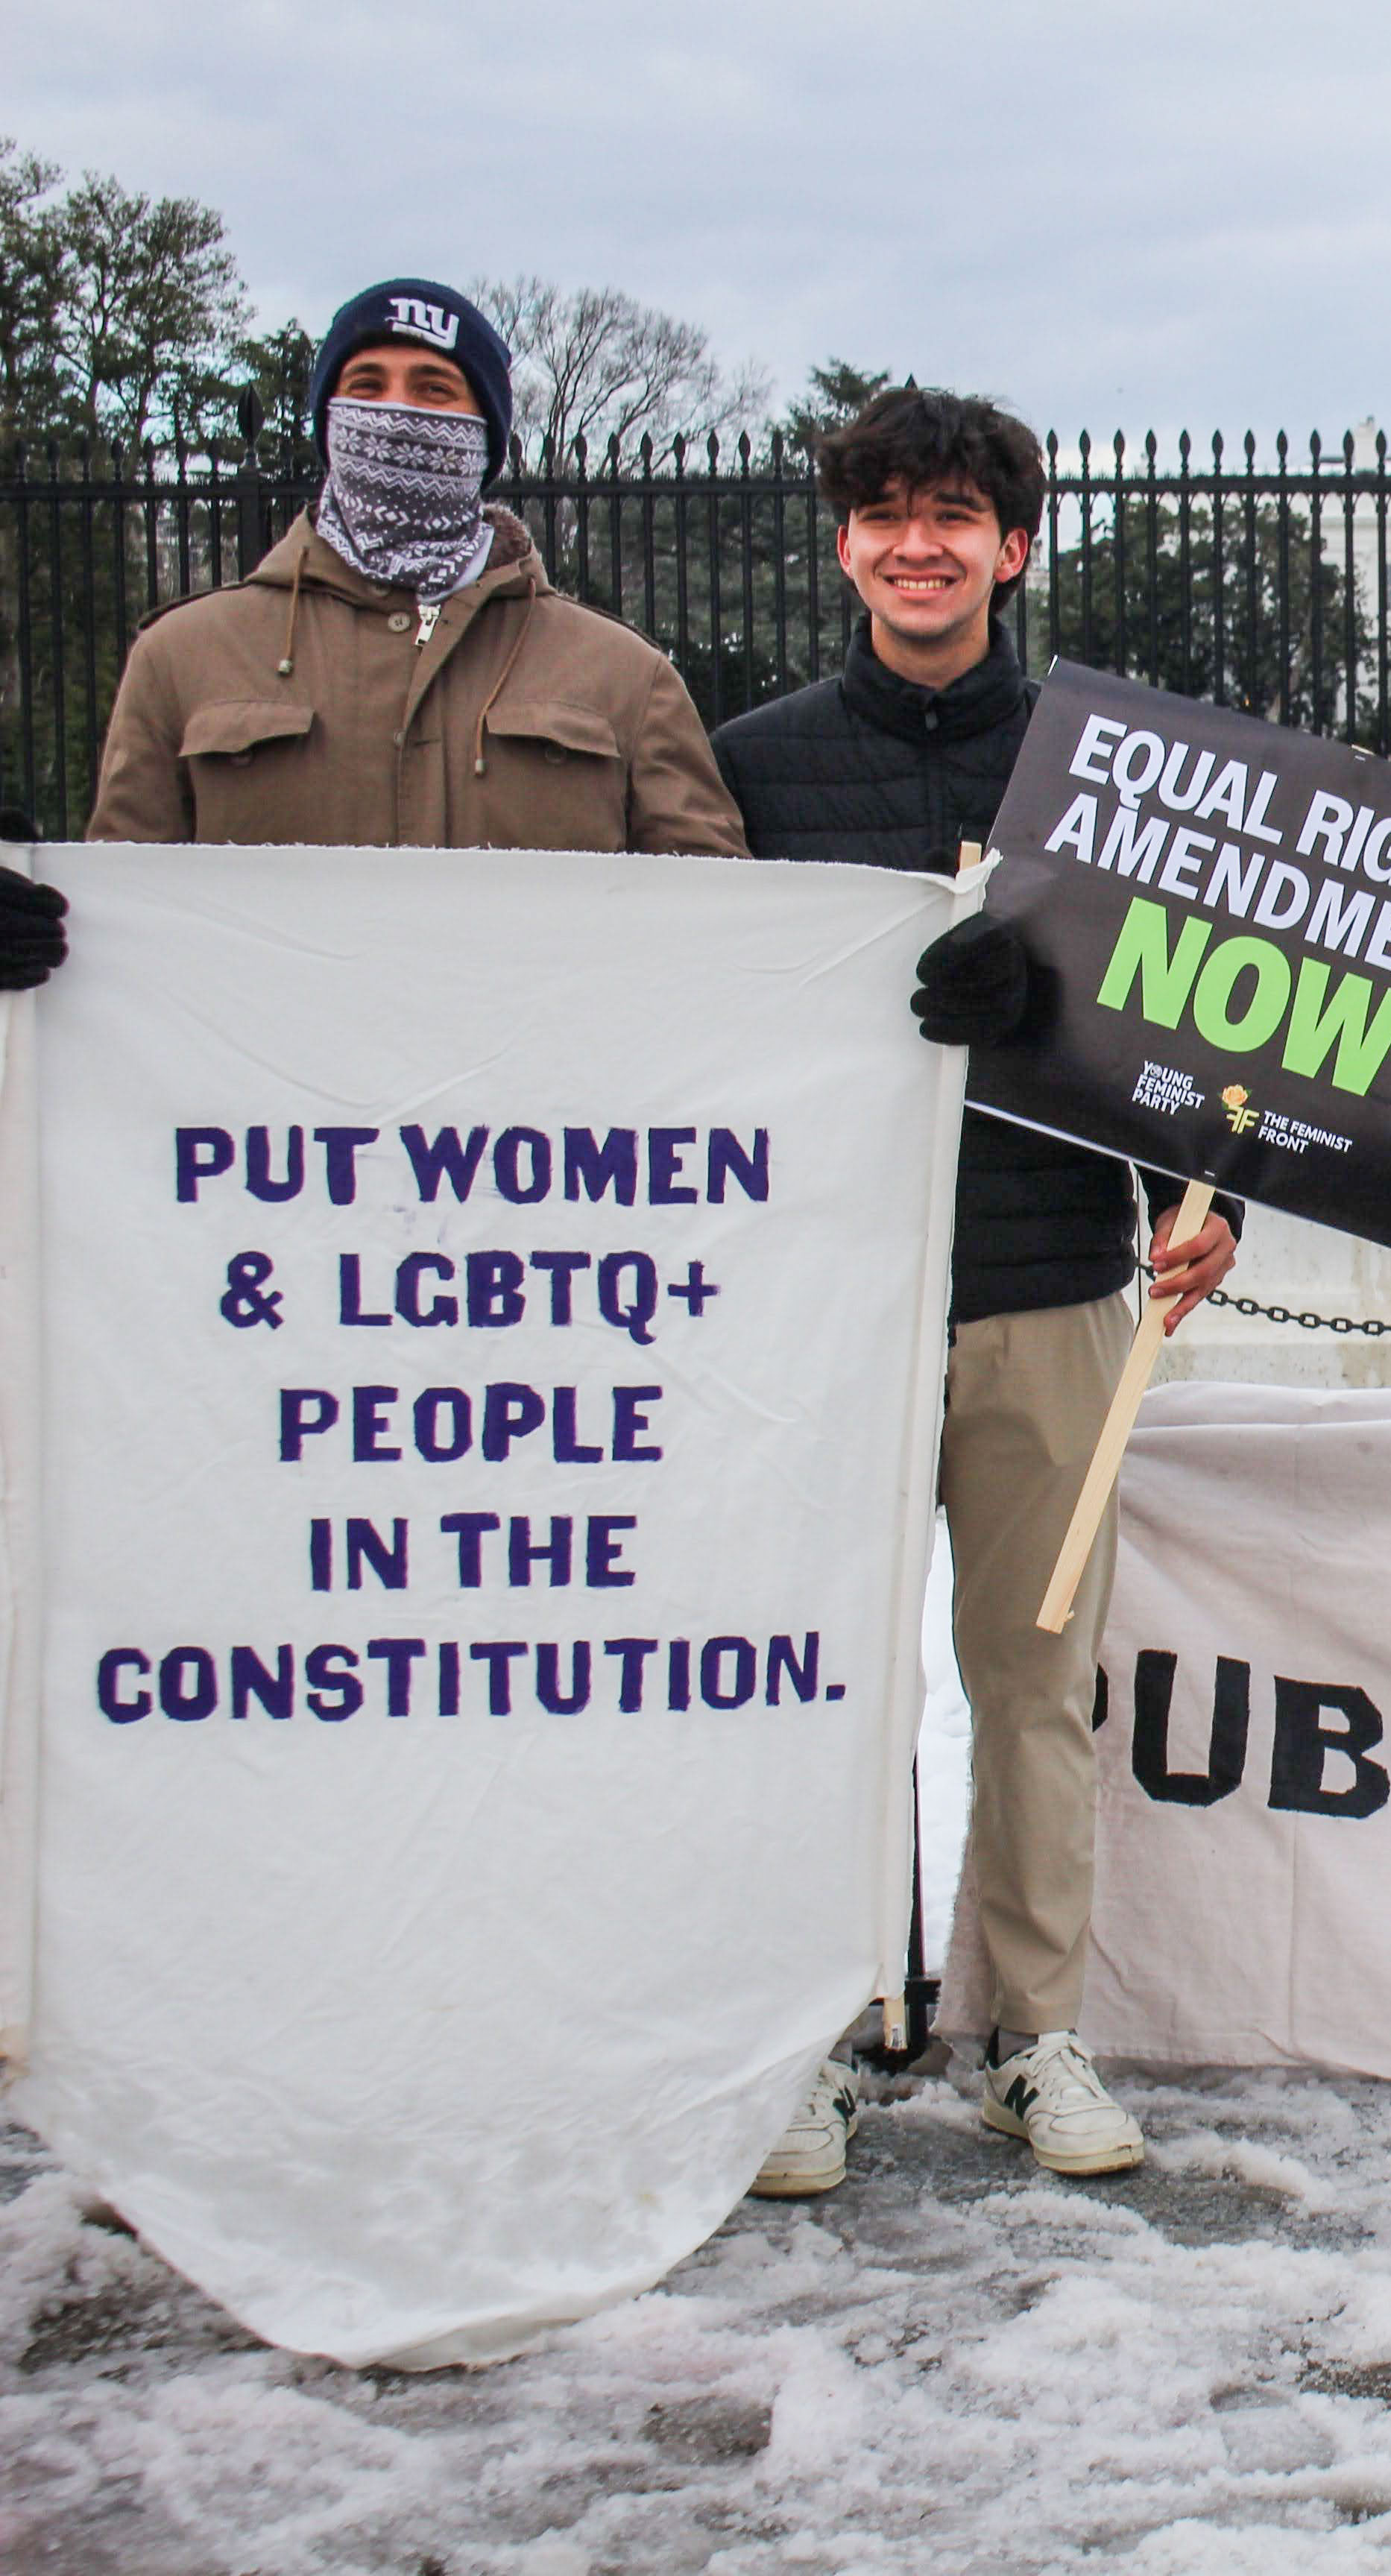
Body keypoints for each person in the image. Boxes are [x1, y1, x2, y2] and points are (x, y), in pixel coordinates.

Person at [713, 386, 1237, 2191]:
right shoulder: (755, 765)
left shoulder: (1112, 766)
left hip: (1043, 1276)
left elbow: (1208, 1019)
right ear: (843, 539)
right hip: (826, 1294)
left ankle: (1033, 2030)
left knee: (1033, 1681)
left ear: (1014, 547)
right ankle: (836, 2029)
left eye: (955, 512)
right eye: (884, 510)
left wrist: (1205, 1189)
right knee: (830, 1683)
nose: (917, 541)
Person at [87, 278, 742, 858]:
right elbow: (121, 919)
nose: (398, 412)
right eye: (367, 386)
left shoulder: (625, 678)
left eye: (435, 389)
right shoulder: (181, 658)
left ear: (485, 433)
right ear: (328, 421)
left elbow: (714, 928)